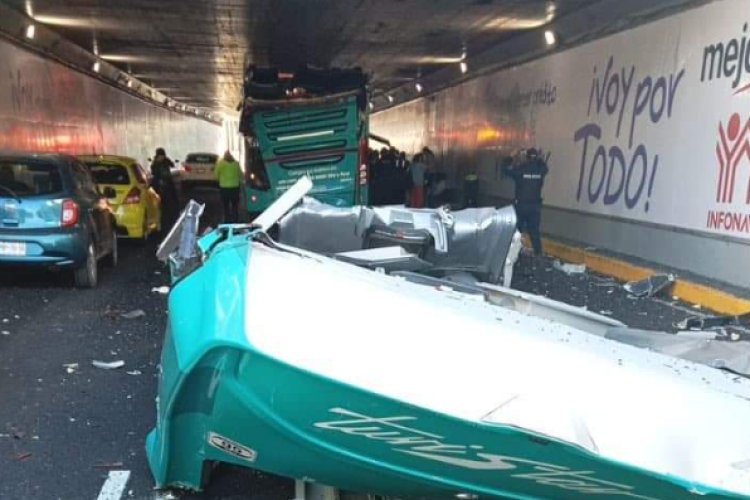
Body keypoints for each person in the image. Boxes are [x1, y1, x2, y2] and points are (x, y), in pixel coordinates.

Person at [502, 147, 549, 255]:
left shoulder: (521, 169)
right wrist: (540, 159)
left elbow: (505, 170)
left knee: (518, 230)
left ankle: (514, 252)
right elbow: (545, 167)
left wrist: (510, 157)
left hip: (521, 206)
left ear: (526, 157)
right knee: (534, 231)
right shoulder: (540, 171)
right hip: (535, 207)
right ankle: (538, 253)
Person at [150, 147, 179, 230]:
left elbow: (172, 165)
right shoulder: (155, 163)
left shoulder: (165, 160)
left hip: (167, 181)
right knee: (159, 198)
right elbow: (154, 172)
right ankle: (162, 213)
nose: (162, 157)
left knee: (173, 195)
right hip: (159, 183)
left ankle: (174, 211)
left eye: (163, 156)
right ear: (158, 155)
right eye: (161, 156)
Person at [214, 150, 243, 223]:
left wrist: (219, 180)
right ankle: (235, 220)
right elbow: (241, 175)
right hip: (235, 188)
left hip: (224, 188)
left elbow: (216, 175)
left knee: (225, 206)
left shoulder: (220, 164)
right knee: (235, 206)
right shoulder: (236, 164)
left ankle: (227, 220)